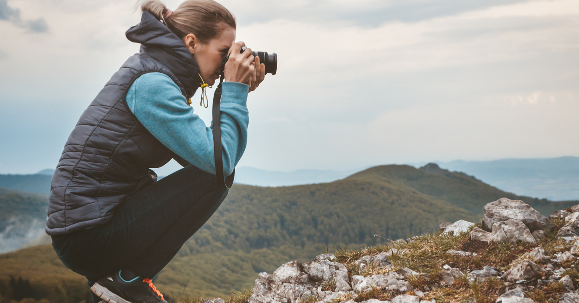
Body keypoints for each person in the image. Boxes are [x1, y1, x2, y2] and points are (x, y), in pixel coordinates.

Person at [45, 0, 265, 302]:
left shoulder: (156, 75)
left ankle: (127, 279)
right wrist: (235, 93)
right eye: (224, 53)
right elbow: (219, 162)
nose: (228, 61)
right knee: (216, 176)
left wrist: (230, 89)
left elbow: (210, 157)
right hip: (87, 237)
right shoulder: (152, 85)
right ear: (191, 43)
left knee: (214, 173)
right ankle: (126, 280)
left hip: (89, 229)